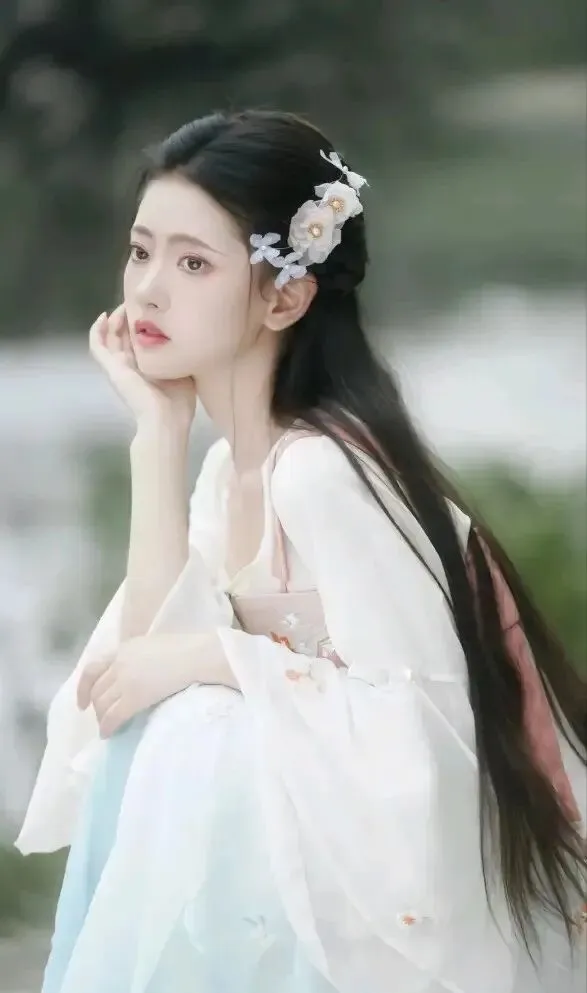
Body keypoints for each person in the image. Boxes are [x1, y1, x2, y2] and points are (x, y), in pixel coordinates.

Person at [16, 110, 585, 993]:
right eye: (140, 251)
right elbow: (130, 687)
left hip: (367, 914)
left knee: (198, 730)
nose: (148, 291)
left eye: (193, 263)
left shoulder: (324, 474)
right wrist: (158, 436)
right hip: (290, 890)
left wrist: (219, 657)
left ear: (285, 297)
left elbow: (423, 725)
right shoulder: (230, 473)